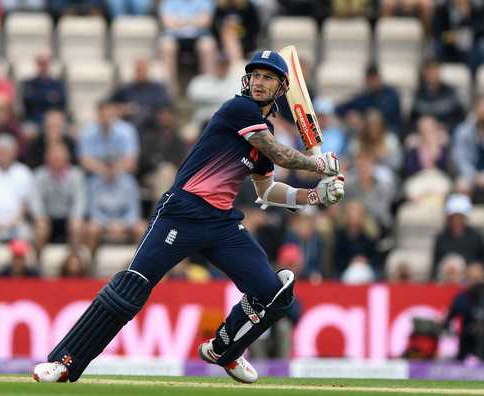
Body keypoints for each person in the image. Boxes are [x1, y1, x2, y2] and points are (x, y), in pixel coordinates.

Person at [33, 50, 344, 384]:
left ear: (282, 87)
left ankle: (224, 349)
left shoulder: (263, 130)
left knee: (274, 292)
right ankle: (64, 361)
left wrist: (314, 196)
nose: (257, 82)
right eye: (255, 75)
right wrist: (318, 165)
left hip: (221, 223)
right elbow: (280, 152)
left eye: (267, 77)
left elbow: (266, 190)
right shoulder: (239, 109)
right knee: (131, 288)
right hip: (182, 212)